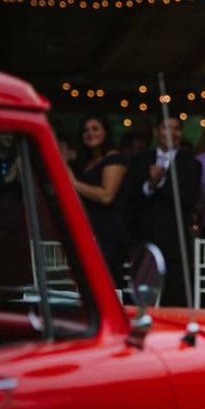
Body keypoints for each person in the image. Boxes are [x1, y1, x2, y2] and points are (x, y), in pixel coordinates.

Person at [126, 116, 201, 306]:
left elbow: (189, 199)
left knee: (175, 292)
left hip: (176, 237)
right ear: (156, 132)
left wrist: (158, 183)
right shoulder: (140, 161)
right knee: (143, 288)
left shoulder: (191, 163)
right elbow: (131, 197)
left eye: (177, 129)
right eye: (167, 128)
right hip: (145, 235)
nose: (172, 133)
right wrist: (150, 183)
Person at [69, 115, 129, 285]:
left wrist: (74, 183)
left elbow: (106, 195)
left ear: (106, 133)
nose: (90, 134)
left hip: (108, 233)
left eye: (95, 129)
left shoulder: (114, 158)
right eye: (85, 131)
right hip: (88, 231)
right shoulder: (85, 162)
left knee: (106, 284)